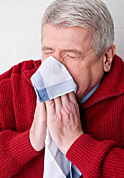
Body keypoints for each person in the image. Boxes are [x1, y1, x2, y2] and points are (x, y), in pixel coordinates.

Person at [0, 0, 124, 177]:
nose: (54, 67)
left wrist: (76, 143)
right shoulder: (12, 86)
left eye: (71, 55)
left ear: (106, 58)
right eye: (48, 52)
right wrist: (28, 141)